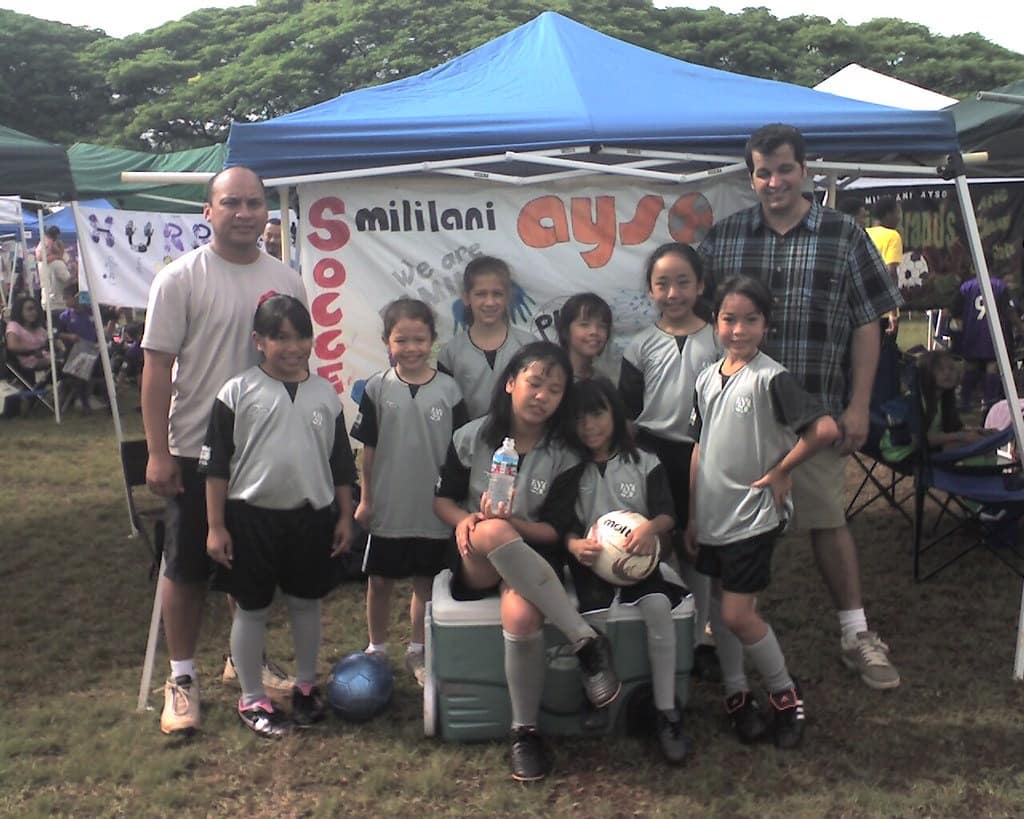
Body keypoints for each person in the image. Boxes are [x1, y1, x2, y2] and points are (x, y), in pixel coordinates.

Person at [698, 123, 902, 690]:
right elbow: (698, 318)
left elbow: (868, 324)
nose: (773, 181)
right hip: (738, 422)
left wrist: (860, 405)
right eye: (762, 171)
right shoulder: (726, 236)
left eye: (784, 169)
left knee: (826, 522)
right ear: (751, 176)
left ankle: (856, 633)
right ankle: (723, 630)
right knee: (729, 527)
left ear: (805, 171)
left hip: (815, 415)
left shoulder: (844, 235)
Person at [141, 166, 307, 736]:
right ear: (207, 213)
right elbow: (157, 367)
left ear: (268, 211)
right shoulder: (180, 278)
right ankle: (181, 678)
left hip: (263, 452)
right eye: (230, 203)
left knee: (252, 566)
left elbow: (295, 364)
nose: (244, 213)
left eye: (254, 203)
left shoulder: (287, 279)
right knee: (187, 568)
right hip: (193, 447)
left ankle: (246, 659)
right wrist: (159, 452)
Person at [433, 341, 618, 782]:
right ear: (511, 383)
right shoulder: (471, 436)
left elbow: (554, 531)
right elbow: (441, 500)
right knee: (491, 531)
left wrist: (512, 520)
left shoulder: (565, 455)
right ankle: (585, 641)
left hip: (533, 559)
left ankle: (525, 732)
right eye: (534, 383)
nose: (542, 396)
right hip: (475, 555)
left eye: (554, 390)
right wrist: (465, 521)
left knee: (520, 616)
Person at [685, 275, 840, 749]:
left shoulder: (772, 377)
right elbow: (699, 447)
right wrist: (693, 514)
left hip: (751, 516)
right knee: (718, 607)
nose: (738, 330)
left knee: (738, 614)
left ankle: (785, 696)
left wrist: (780, 471)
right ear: (715, 322)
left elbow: (825, 429)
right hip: (711, 517)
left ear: (765, 325)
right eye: (729, 319)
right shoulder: (707, 378)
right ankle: (736, 695)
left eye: (750, 320)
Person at [201, 294, 355, 738]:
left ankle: (305, 687)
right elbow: (216, 467)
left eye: (302, 336)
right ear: (259, 341)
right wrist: (215, 526)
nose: (293, 347)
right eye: (281, 338)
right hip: (252, 518)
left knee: (306, 602)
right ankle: (252, 698)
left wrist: (344, 516)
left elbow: (340, 464)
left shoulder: (325, 394)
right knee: (251, 608)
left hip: (311, 517)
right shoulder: (237, 392)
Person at [543, 377, 688, 763]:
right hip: (591, 568)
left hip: (640, 564)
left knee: (659, 609)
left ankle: (666, 711)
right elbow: (561, 525)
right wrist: (574, 544)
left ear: (615, 413)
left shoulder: (644, 461)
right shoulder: (569, 469)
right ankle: (599, 696)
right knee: (592, 624)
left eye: (597, 414)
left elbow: (668, 514)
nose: (590, 426)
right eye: (580, 418)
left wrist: (649, 529)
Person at [350, 298, 468, 686]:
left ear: (432, 340)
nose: (411, 348)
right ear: (387, 341)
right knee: (379, 581)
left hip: (431, 509)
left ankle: (418, 649)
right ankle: (376, 648)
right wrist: (366, 499)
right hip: (389, 505)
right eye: (402, 340)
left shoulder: (450, 391)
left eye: (420, 339)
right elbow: (368, 451)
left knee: (425, 582)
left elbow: (459, 453)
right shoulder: (377, 388)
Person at [618, 242, 721, 678]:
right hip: (652, 455)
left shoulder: (720, 337)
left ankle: (700, 637)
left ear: (699, 285)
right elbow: (626, 414)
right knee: (658, 546)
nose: (673, 293)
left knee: (698, 547)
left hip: (706, 455)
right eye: (663, 284)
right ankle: (663, 630)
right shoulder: (638, 346)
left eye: (683, 282)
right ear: (650, 290)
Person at [437, 256, 535, 418]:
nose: (489, 302)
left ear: (508, 296)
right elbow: (448, 410)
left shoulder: (528, 346)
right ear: (466, 297)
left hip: (521, 439)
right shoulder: (450, 353)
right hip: (467, 441)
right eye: (481, 294)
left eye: (497, 294)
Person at [951, 273, 1022, 414]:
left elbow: (955, 313)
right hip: (993, 335)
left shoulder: (966, 286)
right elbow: (1008, 310)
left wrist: (958, 337)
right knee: (993, 367)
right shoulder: (999, 286)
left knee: (971, 366)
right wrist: (1020, 327)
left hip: (973, 334)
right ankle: (990, 405)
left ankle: (964, 401)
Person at [865, 197, 903, 337]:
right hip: (883, 309)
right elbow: (891, 273)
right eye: (897, 213)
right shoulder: (892, 236)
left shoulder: (863, 233)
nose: (899, 218)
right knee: (886, 354)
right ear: (888, 214)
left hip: (862, 309)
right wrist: (893, 312)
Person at [555, 292, 612, 381]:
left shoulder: (602, 381)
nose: (594, 331)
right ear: (565, 331)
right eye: (584, 325)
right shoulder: (551, 378)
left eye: (602, 326)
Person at [4, 296, 52, 378]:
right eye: (29, 309)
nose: (34, 312)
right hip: (28, 361)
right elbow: (12, 346)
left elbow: (49, 339)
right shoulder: (14, 326)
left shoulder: (38, 327)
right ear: (20, 311)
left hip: (45, 357)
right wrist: (33, 350)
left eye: (35, 309)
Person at [36, 225, 73, 317]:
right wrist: (76, 273)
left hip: (45, 301)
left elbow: (40, 256)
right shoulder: (57, 263)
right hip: (58, 304)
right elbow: (68, 280)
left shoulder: (41, 263)